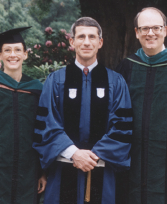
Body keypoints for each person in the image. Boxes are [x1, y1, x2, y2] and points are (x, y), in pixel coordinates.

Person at [33, 17, 133, 204]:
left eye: (92, 37)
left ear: (100, 42)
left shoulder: (116, 82)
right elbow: (46, 124)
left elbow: (122, 128)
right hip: (63, 171)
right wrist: (74, 153)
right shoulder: (55, 81)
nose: (86, 42)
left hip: (102, 172)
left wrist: (91, 156)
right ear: (72, 41)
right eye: (81, 37)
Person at [116, 7, 167, 204]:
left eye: (156, 27)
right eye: (145, 28)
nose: (151, 33)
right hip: (131, 160)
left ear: (165, 30)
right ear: (136, 33)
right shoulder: (126, 67)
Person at [0, 27, 47, 204]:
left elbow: (43, 132)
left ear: (25, 54)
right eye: (7, 50)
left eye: (18, 50)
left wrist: (43, 172)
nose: (13, 55)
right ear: (0, 55)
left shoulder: (36, 90)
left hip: (28, 172)